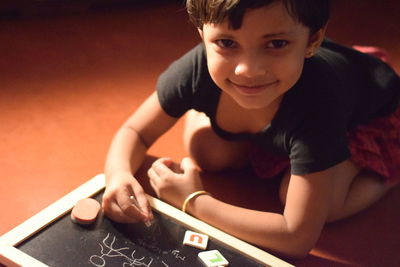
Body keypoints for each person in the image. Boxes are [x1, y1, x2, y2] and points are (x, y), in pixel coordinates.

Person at [102, 0, 400, 258]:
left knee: (327, 208)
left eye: (277, 43)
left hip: (369, 114)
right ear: (202, 34)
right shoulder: (195, 68)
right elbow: (136, 131)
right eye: (227, 43)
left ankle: (389, 173)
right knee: (207, 152)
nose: (248, 70)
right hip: (290, 121)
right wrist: (118, 175)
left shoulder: (320, 105)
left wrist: (194, 201)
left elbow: (297, 238)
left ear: (313, 41)